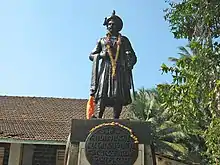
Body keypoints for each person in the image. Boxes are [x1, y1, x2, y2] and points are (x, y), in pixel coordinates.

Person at [89, 10, 137, 119]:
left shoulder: (124, 40)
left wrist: (130, 60)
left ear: (118, 26)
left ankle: (116, 119)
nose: (111, 26)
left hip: (120, 69)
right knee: (102, 93)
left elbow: (133, 56)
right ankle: (98, 116)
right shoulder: (102, 40)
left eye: (113, 24)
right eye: (109, 24)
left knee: (118, 94)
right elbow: (91, 55)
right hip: (106, 69)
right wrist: (101, 54)